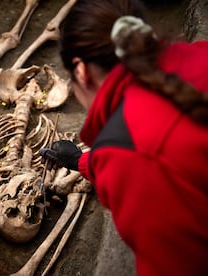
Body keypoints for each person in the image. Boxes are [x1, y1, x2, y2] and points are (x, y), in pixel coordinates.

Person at [39, 0, 208, 275]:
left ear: (80, 71)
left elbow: (173, 265)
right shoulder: (200, 54)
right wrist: (81, 161)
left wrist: (106, 157)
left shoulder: (129, 156)